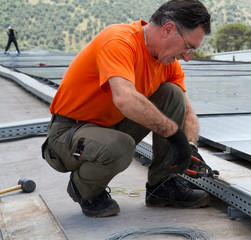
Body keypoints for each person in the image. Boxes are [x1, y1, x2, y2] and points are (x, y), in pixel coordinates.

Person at [42, 0, 211, 218]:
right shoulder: (119, 40)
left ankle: (162, 187)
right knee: (121, 146)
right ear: (169, 29)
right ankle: (84, 189)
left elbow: (188, 113)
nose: (187, 57)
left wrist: (188, 146)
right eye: (188, 47)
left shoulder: (167, 63)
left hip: (110, 126)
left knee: (173, 94)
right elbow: (125, 99)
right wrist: (173, 135)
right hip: (67, 133)